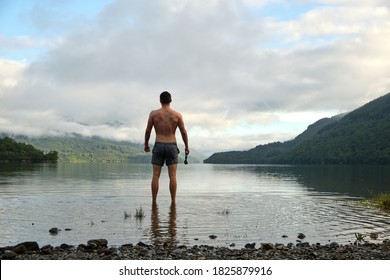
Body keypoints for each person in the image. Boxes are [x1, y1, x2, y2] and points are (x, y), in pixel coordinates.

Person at [144, 91, 189, 205]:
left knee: (155, 175)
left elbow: (148, 130)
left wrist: (146, 144)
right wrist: (186, 146)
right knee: (173, 176)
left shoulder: (153, 114)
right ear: (171, 100)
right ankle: (173, 202)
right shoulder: (177, 115)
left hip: (158, 144)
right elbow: (183, 132)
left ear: (160, 101)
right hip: (171, 145)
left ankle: (154, 202)